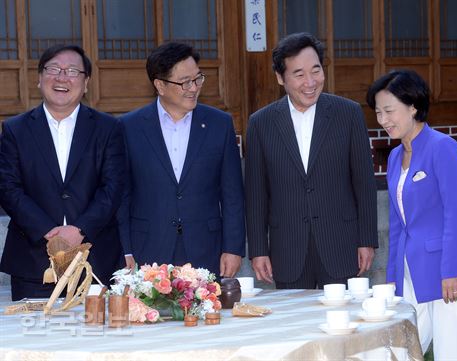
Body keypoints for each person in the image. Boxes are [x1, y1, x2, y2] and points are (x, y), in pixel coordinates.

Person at [366, 69, 457, 358]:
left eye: (389, 111)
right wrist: (393, 277)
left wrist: (452, 270)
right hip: (411, 272)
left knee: (451, 353)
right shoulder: (395, 156)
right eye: (378, 113)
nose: (383, 120)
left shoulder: (443, 148)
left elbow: (456, 214)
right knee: (400, 351)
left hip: (449, 273)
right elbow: (398, 224)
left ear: (413, 107)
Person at [245, 32, 378, 289]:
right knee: (296, 325)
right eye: (299, 74)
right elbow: (256, 194)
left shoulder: (347, 114)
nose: (310, 82)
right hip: (288, 248)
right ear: (280, 78)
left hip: (341, 243)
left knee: (343, 324)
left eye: (315, 71)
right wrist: (258, 249)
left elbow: (364, 182)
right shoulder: (261, 123)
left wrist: (367, 240)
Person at [0, 45, 126, 300]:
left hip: (96, 258)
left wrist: (78, 230)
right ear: (39, 78)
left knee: (98, 336)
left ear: (86, 82)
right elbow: (8, 187)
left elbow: (113, 187)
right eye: (54, 69)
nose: (61, 77)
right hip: (33, 261)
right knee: (34, 336)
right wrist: (49, 231)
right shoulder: (15, 129)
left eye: (72, 71)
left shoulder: (108, 128)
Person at [118, 42, 245, 277]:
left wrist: (233, 248)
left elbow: (232, 194)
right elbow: (122, 195)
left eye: (198, 79)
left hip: (206, 249)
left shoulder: (219, 124)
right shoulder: (129, 127)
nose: (193, 88)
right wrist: (125, 250)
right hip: (148, 250)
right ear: (160, 85)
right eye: (185, 82)